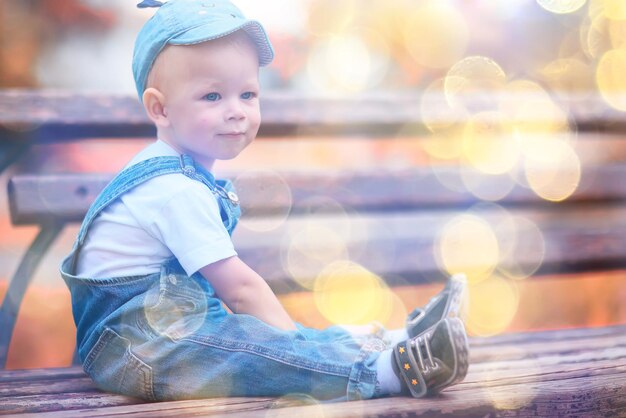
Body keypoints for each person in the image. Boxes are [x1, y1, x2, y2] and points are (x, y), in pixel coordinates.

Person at [60, 0, 469, 402]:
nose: (237, 111)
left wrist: (289, 342)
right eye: (213, 97)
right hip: (139, 349)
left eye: (248, 94)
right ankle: (390, 371)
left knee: (251, 340)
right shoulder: (174, 189)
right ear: (160, 108)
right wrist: (293, 347)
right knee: (254, 350)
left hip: (168, 329)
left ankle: (396, 340)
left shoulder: (183, 172)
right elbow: (240, 290)